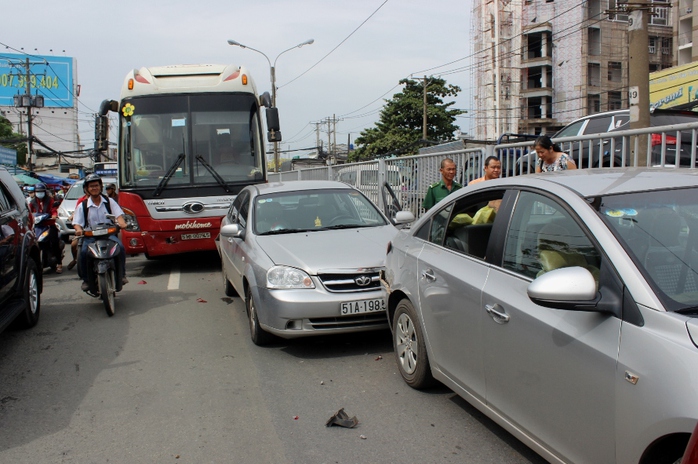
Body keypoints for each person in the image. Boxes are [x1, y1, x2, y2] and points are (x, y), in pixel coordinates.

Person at [72, 174, 128, 292]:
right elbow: (77, 223)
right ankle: (86, 280)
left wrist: (122, 223)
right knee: (83, 253)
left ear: (100, 187)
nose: (94, 188)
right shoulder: (83, 205)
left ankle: (122, 275)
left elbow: (119, 216)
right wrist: (78, 229)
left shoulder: (109, 201)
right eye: (91, 186)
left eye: (96, 185)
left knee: (121, 248)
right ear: (87, 189)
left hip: (109, 235)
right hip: (90, 237)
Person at [29, 182, 63, 273]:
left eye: (41, 191)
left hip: (49, 224)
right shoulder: (32, 202)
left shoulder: (50, 200)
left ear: (45, 192)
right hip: (38, 226)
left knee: (54, 242)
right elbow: (29, 212)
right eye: (38, 191)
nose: (39, 193)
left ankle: (59, 263)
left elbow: (54, 210)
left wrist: (54, 215)